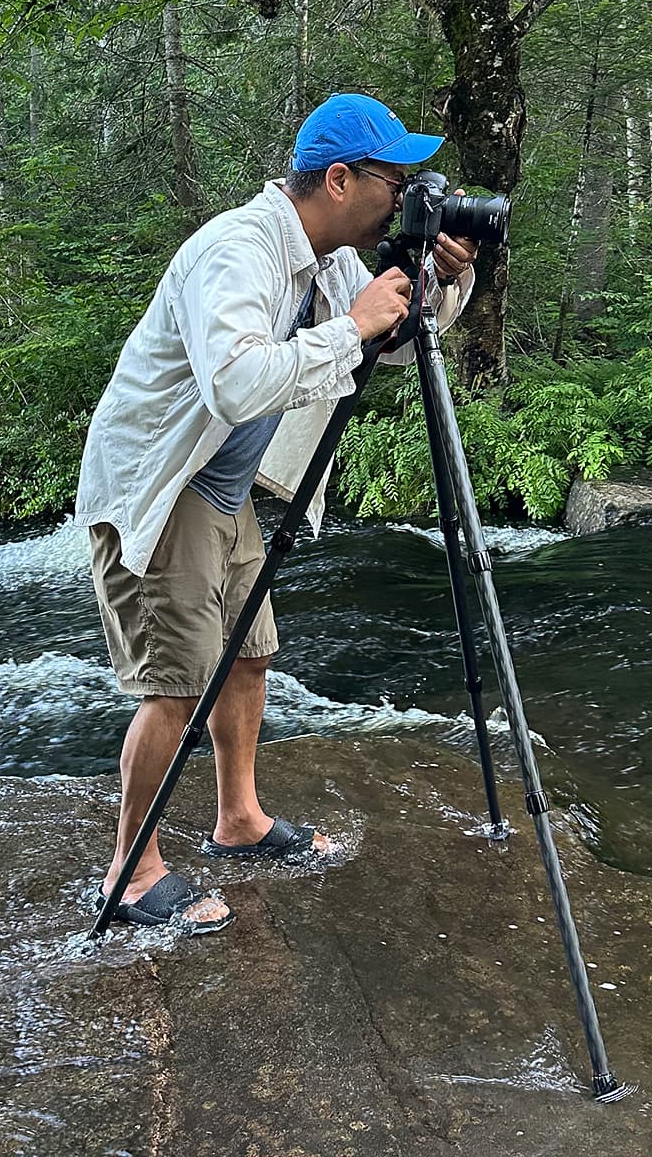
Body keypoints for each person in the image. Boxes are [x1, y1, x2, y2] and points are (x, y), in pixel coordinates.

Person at [74, 92, 479, 933]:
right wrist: (355, 324)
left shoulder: (326, 258)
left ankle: (239, 819)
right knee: (175, 684)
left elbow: (386, 340)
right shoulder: (237, 250)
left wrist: (447, 278)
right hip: (163, 488)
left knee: (249, 658)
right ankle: (132, 869)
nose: (403, 196)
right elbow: (237, 380)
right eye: (392, 179)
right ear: (339, 179)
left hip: (228, 489)